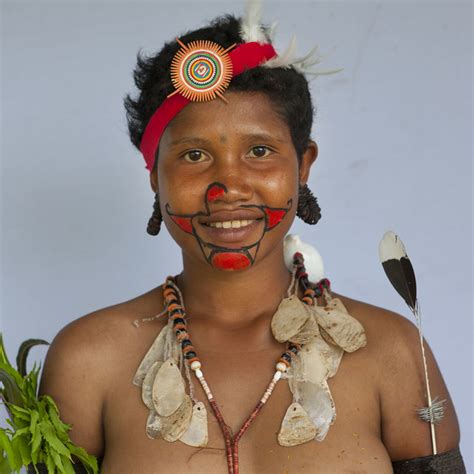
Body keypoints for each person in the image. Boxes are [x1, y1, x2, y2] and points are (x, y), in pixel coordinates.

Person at [37, 8, 465, 474]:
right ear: (154, 177)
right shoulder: (88, 360)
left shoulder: (392, 352)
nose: (229, 185)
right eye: (194, 155)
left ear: (303, 166)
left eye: (259, 151)